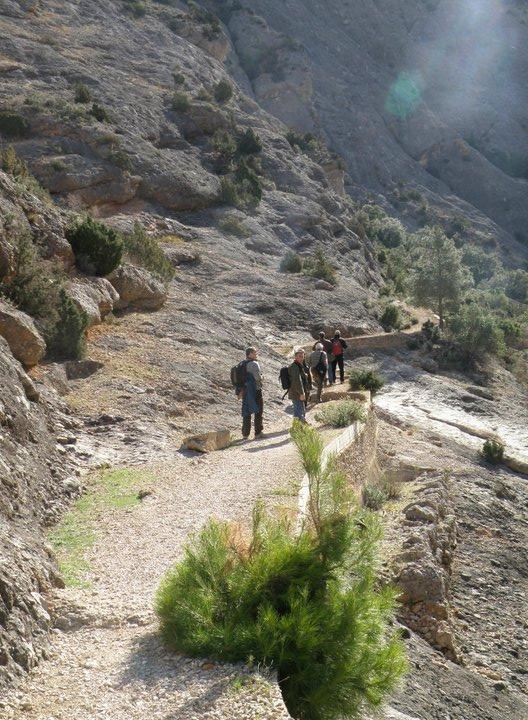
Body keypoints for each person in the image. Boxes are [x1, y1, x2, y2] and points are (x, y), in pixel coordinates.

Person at [237, 347, 264, 439]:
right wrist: (262, 377)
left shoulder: (241, 364)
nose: (256, 354)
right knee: (258, 411)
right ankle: (258, 432)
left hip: (245, 390)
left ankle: (245, 434)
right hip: (255, 390)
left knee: (246, 411)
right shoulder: (254, 364)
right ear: (250, 354)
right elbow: (258, 378)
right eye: (255, 352)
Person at [288, 348, 312, 423]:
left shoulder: (299, 365)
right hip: (297, 393)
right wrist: (301, 393)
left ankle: (302, 424)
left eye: (302, 356)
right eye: (299, 356)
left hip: (298, 391)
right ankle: (297, 427)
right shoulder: (294, 366)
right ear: (295, 357)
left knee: (301, 409)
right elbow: (297, 381)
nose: (301, 358)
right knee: (298, 410)